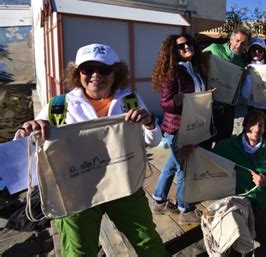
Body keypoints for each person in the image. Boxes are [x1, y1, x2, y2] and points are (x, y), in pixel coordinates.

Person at [15, 43, 167, 256]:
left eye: (104, 69)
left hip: (124, 185)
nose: (96, 75)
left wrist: (150, 123)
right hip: (75, 193)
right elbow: (28, 146)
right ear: (78, 73)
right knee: (79, 251)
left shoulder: (130, 101)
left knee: (148, 242)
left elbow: (152, 142)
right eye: (88, 69)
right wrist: (27, 129)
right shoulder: (59, 105)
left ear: (116, 73)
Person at [182, 110, 266, 253]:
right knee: (236, 241)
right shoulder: (227, 146)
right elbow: (206, 161)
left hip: (258, 205)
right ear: (244, 125)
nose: (256, 129)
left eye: (261, 125)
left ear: (265, 128)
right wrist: (190, 154)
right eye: (252, 124)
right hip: (232, 203)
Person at [150, 33, 208, 225]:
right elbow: (165, 103)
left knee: (173, 164)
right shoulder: (172, 72)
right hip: (178, 128)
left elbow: (196, 95)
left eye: (188, 43)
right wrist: (181, 99)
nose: (186, 47)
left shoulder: (195, 68)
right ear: (173, 52)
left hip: (192, 125)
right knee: (184, 168)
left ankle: (158, 200)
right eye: (180, 46)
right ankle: (185, 210)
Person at [203, 25, 251, 144]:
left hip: (227, 110)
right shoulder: (214, 49)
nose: (239, 45)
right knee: (205, 145)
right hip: (208, 107)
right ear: (231, 39)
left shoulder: (241, 63)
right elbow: (196, 63)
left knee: (223, 145)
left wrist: (243, 76)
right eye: (237, 40)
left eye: (243, 43)